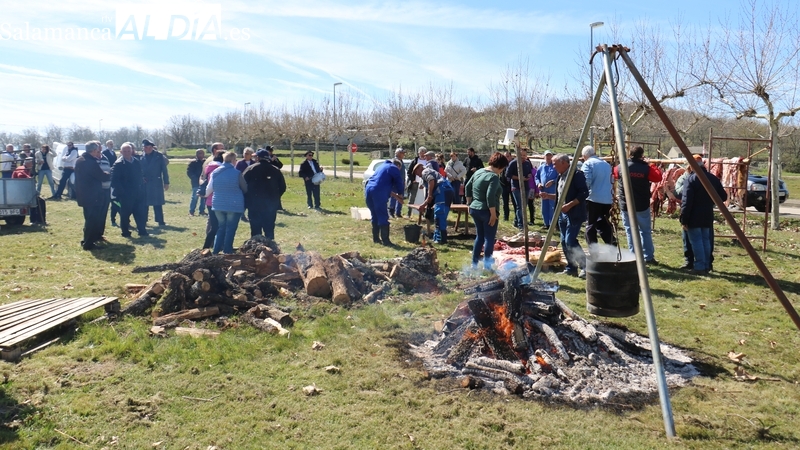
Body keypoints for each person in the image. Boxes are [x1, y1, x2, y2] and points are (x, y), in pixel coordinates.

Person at [540, 154, 589, 278]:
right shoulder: (560, 176)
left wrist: (569, 205)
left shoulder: (576, 175)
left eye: (555, 164)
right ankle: (571, 267)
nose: (553, 166)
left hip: (574, 213)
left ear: (564, 163)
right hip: (562, 214)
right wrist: (548, 196)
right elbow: (560, 196)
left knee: (570, 241)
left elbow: (584, 193)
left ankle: (585, 266)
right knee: (563, 241)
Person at [613, 146, 663, 264]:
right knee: (645, 231)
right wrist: (652, 165)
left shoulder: (620, 167)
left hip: (626, 205)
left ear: (629, 154)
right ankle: (648, 256)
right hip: (641, 205)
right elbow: (658, 178)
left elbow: (614, 175)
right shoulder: (646, 168)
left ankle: (633, 256)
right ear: (642, 155)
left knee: (630, 231)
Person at [681, 155, 727, 274]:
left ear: (691, 166)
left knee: (696, 241)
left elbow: (686, 202)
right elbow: (723, 196)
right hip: (707, 214)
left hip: (694, 216)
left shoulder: (691, 179)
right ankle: (706, 265)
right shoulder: (713, 178)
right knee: (706, 240)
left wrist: (684, 219)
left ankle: (700, 266)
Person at [464, 152, 508, 270]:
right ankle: (487, 267)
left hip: (475, 208)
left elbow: (467, 186)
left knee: (480, 237)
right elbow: (490, 196)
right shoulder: (493, 177)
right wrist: (493, 214)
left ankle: (474, 264)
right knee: (489, 238)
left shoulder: (479, 171)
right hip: (487, 211)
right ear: (500, 166)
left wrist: (469, 204)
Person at [206, 151, 247, 254]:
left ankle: (216, 251)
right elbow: (245, 188)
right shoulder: (237, 173)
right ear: (233, 160)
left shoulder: (215, 172)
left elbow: (210, 187)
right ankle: (227, 250)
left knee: (221, 228)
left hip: (218, 203)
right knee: (230, 228)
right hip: (233, 204)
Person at [74, 141, 110, 250]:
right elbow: (102, 176)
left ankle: (86, 239)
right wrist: (110, 173)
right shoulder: (90, 162)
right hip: (92, 195)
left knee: (89, 218)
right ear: (94, 150)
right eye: (97, 150)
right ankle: (88, 244)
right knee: (92, 220)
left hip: (84, 194)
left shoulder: (80, 160)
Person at [243, 149, 286, 240]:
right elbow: (282, 187)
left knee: (255, 230)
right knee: (269, 229)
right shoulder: (275, 170)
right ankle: (270, 246)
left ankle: (256, 246)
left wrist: (248, 197)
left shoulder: (250, 169)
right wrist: (274, 197)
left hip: (254, 204)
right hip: (270, 205)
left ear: (258, 158)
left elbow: (242, 185)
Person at [111, 143, 148, 238]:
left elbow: (140, 175)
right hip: (125, 194)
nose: (127, 153)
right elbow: (114, 180)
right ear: (121, 152)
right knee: (125, 214)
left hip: (137, 192)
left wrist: (141, 186)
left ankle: (142, 231)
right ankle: (125, 232)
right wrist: (122, 192)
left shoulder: (136, 161)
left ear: (132, 151)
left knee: (140, 212)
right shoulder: (118, 163)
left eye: (128, 151)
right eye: (124, 151)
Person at [581, 145, 616, 246]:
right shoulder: (606, 164)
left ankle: (593, 249)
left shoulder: (588, 164)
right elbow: (612, 180)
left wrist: (581, 195)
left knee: (590, 225)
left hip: (593, 199)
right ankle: (612, 244)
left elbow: (586, 182)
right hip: (607, 199)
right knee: (603, 223)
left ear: (584, 156)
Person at [365, 160, 405, 246]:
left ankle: (376, 239)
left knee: (375, 214)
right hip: (378, 192)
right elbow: (399, 181)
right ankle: (386, 241)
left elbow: (381, 185)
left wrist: (396, 197)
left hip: (369, 189)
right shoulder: (393, 167)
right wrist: (400, 194)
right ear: (398, 166)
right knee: (382, 215)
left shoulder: (381, 167)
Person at [413, 162, 455, 244]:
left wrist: (429, 195)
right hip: (447, 190)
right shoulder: (429, 172)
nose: (417, 175)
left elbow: (431, 180)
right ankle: (438, 237)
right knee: (442, 214)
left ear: (420, 168)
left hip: (442, 190)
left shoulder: (425, 171)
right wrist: (424, 205)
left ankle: (440, 239)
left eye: (416, 172)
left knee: (439, 214)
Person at [140, 139, 170, 226]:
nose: (146, 149)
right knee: (144, 203)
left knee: (157, 203)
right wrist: (141, 178)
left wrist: (166, 182)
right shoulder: (140, 156)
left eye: (148, 147)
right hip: (145, 183)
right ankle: (143, 220)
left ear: (152, 148)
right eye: (145, 147)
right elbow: (138, 170)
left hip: (156, 182)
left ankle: (160, 221)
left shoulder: (159, 156)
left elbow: (164, 170)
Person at [505, 147, 534, 230]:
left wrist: (529, 176)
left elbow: (530, 172)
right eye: (521, 155)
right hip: (516, 187)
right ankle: (521, 225)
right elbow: (508, 174)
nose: (523, 157)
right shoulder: (513, 163)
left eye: (524, 155)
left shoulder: (527, 163)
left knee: (524, 206)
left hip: (526, 187)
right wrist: (519, 178)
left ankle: (516, 221)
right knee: (520, 206)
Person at [11, 158, 46, 225]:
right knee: (34, 201)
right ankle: (34, 220)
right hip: (19, 191)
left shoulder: (27, 169)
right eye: (31, 163)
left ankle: (40, 220)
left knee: (40, 200)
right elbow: (20, 175)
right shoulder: (22, 168)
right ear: (27, 163)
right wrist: (30, 179)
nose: (32, 165)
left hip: (24, 191)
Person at [202, 150, 225, 249]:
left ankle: (210, 246)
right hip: (216, 200)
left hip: (210, 200)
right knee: (217, 226)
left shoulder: (210, 167)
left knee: (214, 226)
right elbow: (212, 186)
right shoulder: (218, 170)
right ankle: (208, 247)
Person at [535, 150, 558, 228]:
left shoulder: (555, 167)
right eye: (547, 155)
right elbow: (536, 177)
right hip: (543, 190)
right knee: (544, 208)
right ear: (544, 157)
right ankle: (546, 224)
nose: (548, 157)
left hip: (552, 190)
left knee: (552, 207)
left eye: (550, 155)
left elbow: (560, 177)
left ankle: (553, 224)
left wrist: (553, 181)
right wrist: (538, 184)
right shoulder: (541, 167)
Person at [405, 147, 425, 216]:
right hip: (415, 182)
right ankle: (409, 213)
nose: (422, 154)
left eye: (423, 152)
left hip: (424, 183)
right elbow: (409, 172)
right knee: (412, 198)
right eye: (421, 152)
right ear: (418, 153)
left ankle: (423, 214)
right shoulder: (414, 161)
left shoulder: (427, 161)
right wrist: (413, 180)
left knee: (424, 198)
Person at [187, 149, 206, 216]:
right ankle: (191, 211)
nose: (201, 155)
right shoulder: (193, 163)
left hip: (204, 182)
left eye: (202, 153)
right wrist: (195, 178)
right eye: (199, 153)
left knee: (203, 197)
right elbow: (189, 172)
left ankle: (202, 211)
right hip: (196, 183)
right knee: (195, 197)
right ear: (197, 154)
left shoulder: (205, 162)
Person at [389, 148, 406, 218]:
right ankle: (391, 211)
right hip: (395, 182)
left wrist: (404, 181)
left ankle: (398, 212)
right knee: (394, 196)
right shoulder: (394, 161)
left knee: (400, 196)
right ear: (398, 153)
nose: (403, 154)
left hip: (401, 182)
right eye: (402, 153)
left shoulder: (402, 161)